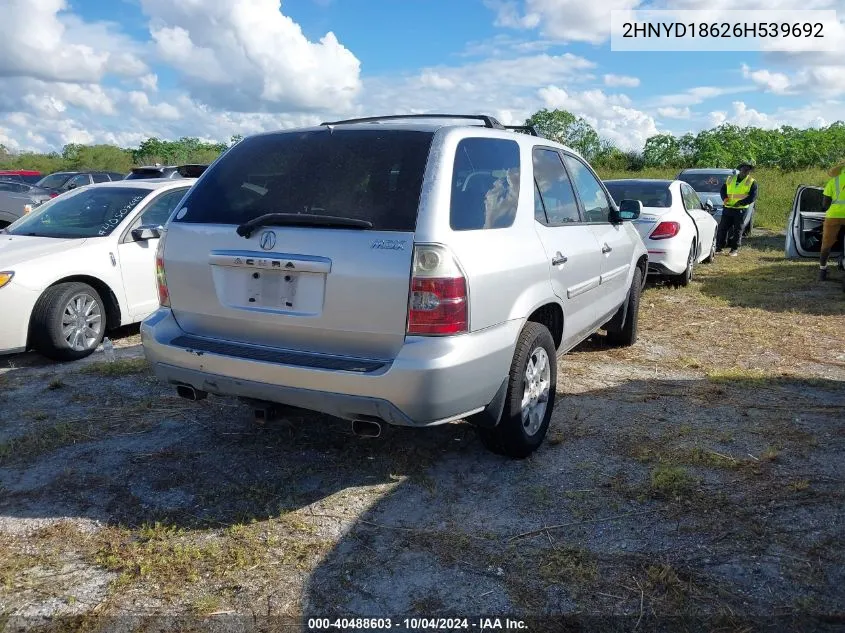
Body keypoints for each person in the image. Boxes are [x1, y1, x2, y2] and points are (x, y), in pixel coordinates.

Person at [716, 160, 758, 257]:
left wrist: (741, 203)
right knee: (723, 228)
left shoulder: (752, 182)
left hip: (741, 209)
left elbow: (753, 196)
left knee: (737, 229)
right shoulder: (730, 178)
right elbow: (723, 190)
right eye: (744, 169)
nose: (746, 171)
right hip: (728, 207)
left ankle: (734, 249)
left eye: (748, 170)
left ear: (750, 171)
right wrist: (725, 198)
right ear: (740, 169)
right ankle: (720, 247)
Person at [818, 162, 845, 281]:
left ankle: (822, 271)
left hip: (834, 216)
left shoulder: (833, 182)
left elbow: (825, 204)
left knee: (826, 244)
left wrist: (826, 208)